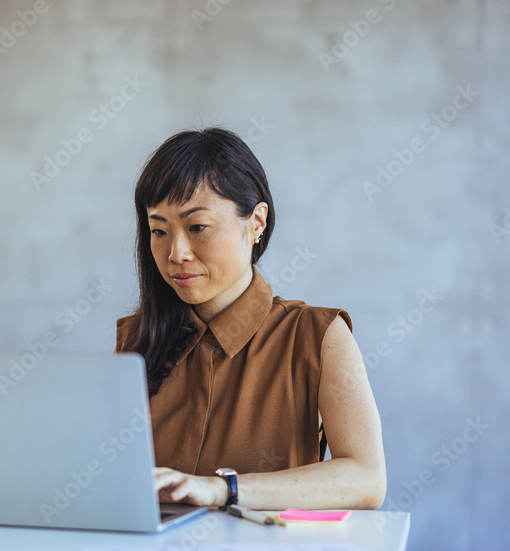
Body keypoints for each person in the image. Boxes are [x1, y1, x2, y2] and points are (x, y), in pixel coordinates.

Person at [115, 127, 386, 511]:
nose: (176, 252)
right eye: (158, 230)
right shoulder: (136, 341)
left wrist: (222, 490)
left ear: (256, 222)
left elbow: (366, 478)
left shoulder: (317, 336)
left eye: (197, 227)